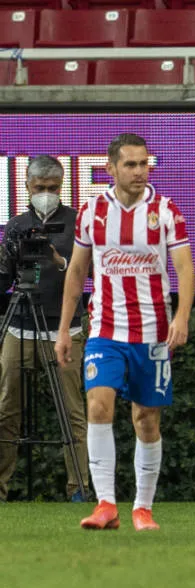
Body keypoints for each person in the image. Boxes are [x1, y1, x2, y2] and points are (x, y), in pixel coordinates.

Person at [55, 134, 195, 531]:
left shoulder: (167, 211)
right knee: (99, 405)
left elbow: (184, 268)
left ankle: (143, 508)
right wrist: (64, 330)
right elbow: (78, 272)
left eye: (143, 164)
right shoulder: (91, 212)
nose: (138, 171)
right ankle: (105, 504)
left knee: (146, 418)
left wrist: (181, 316)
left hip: (152, 331)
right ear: (111, 168)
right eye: (130, 164)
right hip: (105, 329)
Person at [0, 155, 89, 502]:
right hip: (19, 327)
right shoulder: (15, 224)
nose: (47, 194)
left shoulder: (77, 222)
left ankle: (78, 489)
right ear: (27, 186)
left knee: (73, 413)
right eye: (40, 188)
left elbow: (88, 272)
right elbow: (6, 277)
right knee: (6, 409)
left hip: (65, 329)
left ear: (62, 185)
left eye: (53, 188)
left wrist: (59, 260)